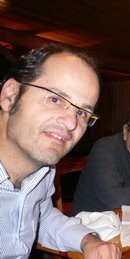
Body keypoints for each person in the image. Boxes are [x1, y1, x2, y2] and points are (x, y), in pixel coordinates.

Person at [0, 44, 120, 258]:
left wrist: (88, 240)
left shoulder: (43, 169)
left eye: (83, 112)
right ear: (10, 95)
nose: (72, 123)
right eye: (55, 99)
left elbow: (42, 217)